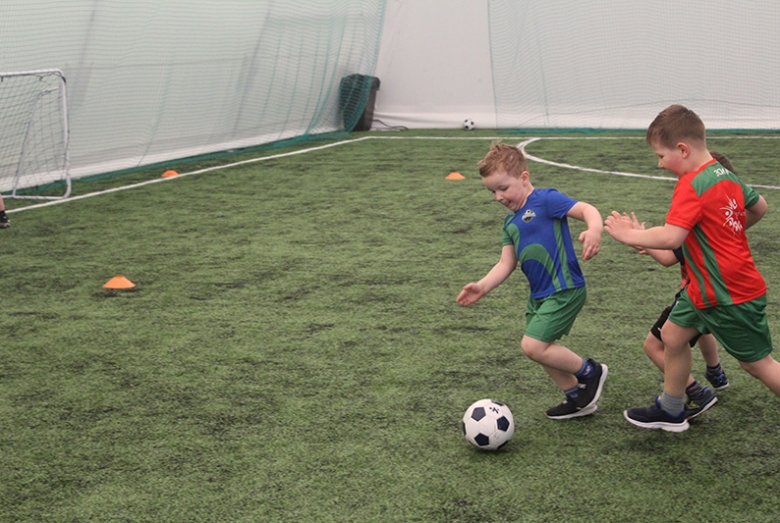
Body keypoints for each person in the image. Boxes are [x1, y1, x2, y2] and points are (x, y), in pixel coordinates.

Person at [605, 104, 780, 432]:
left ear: (683, 150)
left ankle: (673, 406)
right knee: (672, 335)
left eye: (661, 155)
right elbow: (760, 207)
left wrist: (629, 235)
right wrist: (726, 232)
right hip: (701, 290)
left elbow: (671, 237)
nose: (660, 164)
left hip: (728, 293)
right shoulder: (724, 174)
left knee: (759, 365)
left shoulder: (691, 183)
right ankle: (671, 409)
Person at [457, 141, 608, 420]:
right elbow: (506, 263)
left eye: (503, 188)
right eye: (492, 191)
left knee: (533, 345)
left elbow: (587, 210)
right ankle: (577, 398)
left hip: (565, 288)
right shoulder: (509, 223)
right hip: (539, 296)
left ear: (524, 177)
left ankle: (590, 372)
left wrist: (594, 230)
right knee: (540, 349)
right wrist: (482, 286)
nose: (498, 197)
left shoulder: (546, 199)